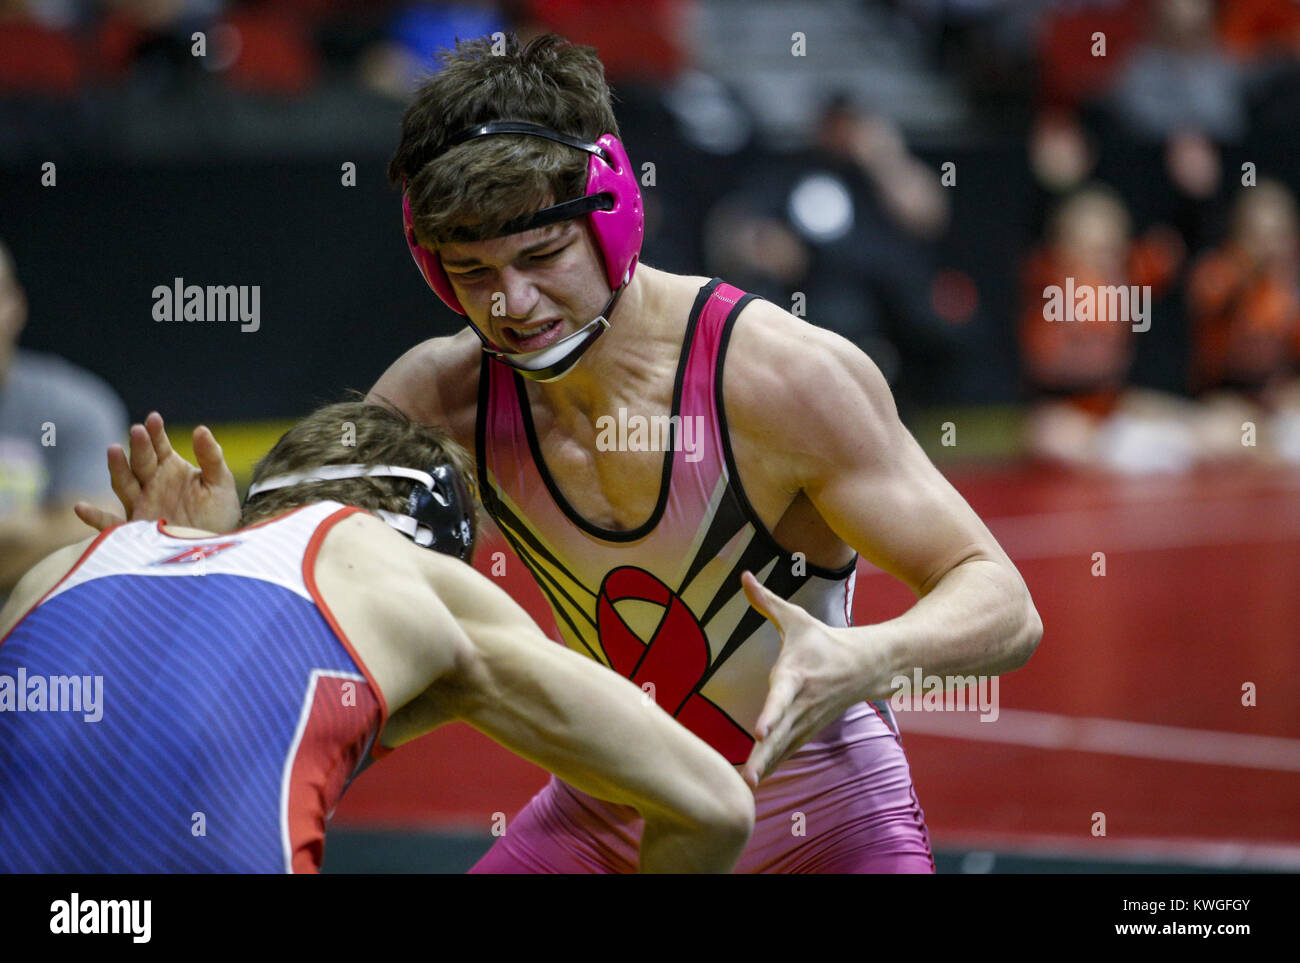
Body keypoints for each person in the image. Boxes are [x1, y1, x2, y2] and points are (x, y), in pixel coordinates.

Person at [99, 33, 1042, 873]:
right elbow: (309, 599)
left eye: (542, 254)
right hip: (607, 809)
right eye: (472, 273)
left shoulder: (778, 376)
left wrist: (870, 656)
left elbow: (1002, 600)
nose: (511, 303)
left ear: (615, 213)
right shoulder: (441, 395)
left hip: (825, 820)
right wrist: (216, 552)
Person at [0, 400, 754, 873]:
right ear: (432, 547)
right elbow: (713, 804)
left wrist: (191, 558)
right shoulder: (405, 574)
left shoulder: (58, 571)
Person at [0, 237, 126, 601]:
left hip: (42, 632)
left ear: (14, 305)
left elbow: (92, 532)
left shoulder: (74, 406)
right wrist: (29, 527)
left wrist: (46, 531)